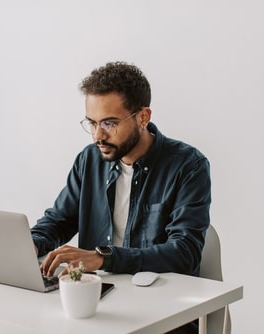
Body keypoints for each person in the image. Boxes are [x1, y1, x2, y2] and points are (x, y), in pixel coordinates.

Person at [32, 61, 210, 333]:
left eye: (109, 123)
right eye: (91, 123)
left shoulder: (188, 166)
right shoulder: (89, 160)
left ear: (142, 117)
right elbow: (59, 220)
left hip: (164, 313)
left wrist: (104, 258)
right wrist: (29, 246)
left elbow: (185, 252)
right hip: (96, 305)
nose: (97, 136)